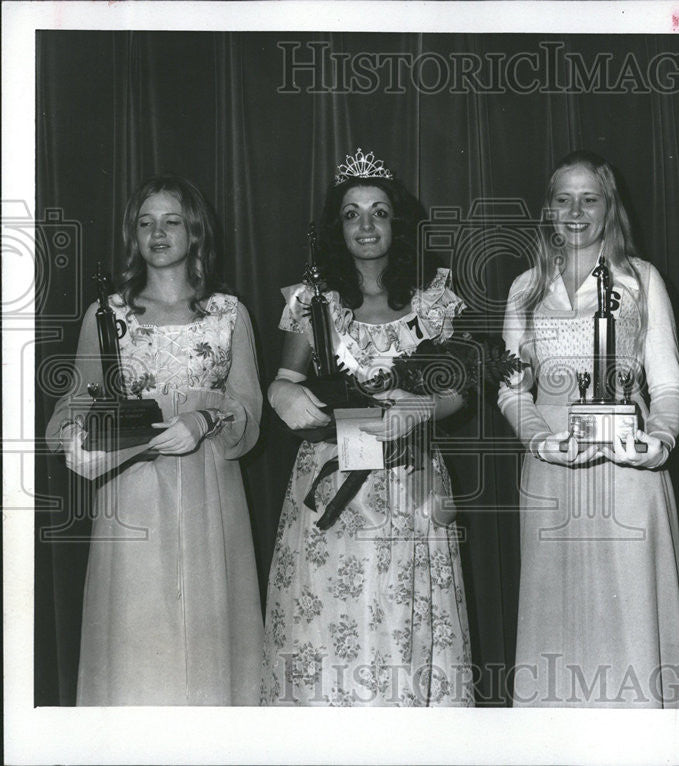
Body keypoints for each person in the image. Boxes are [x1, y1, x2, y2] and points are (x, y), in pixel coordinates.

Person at [260, 149, 473, 706]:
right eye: (352, 213)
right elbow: (285, 376)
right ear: (338, 225)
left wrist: (423, 409)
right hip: (333, 483)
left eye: (379, 212)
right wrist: (282, 392)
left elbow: (457, 391)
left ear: (397, 221)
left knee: (406, 623)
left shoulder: (430, 301)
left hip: (411, 480)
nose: (366, 225)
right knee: (331, 623)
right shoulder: (315, 302)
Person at [45, 174, 264, 705]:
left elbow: (248, 410)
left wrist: (204, 421)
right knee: (138, 639)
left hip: (210, 493)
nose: (158, 233)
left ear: (194, 232)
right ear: (133, 235)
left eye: (171, 221)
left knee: (210, 633)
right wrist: (77, 439)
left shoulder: (229, 314)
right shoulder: (108, 315)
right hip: (133, 493)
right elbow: (73, 405)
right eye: (146, 223)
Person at [498, 150, 679, 708]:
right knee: (556, 618)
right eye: (563, 199)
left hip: (628, 468)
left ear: (610, 207)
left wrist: (658, 442)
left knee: (632, 615)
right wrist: (540, 439)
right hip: (551, 472)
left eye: (590, 199)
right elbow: (511, 386)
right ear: (547, 209)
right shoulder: (525, 288)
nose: (576, 211)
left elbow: (669, 384)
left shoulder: (642, 279)